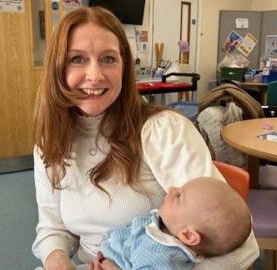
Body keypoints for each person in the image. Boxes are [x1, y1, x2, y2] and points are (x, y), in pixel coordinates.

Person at [32, 6, 259, 270]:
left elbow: (242, 247)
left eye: (108, 59)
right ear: (57, 68)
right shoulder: (50, 142)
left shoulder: (163, 129)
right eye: (77, 59)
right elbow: (52, 227)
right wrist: (56, 259)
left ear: (124, 66)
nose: (94, 76)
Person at [94, 177, 252, 270]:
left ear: (188, 235)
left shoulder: (161, 256)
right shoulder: (168, 227)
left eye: (178, 196)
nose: (170, 189)